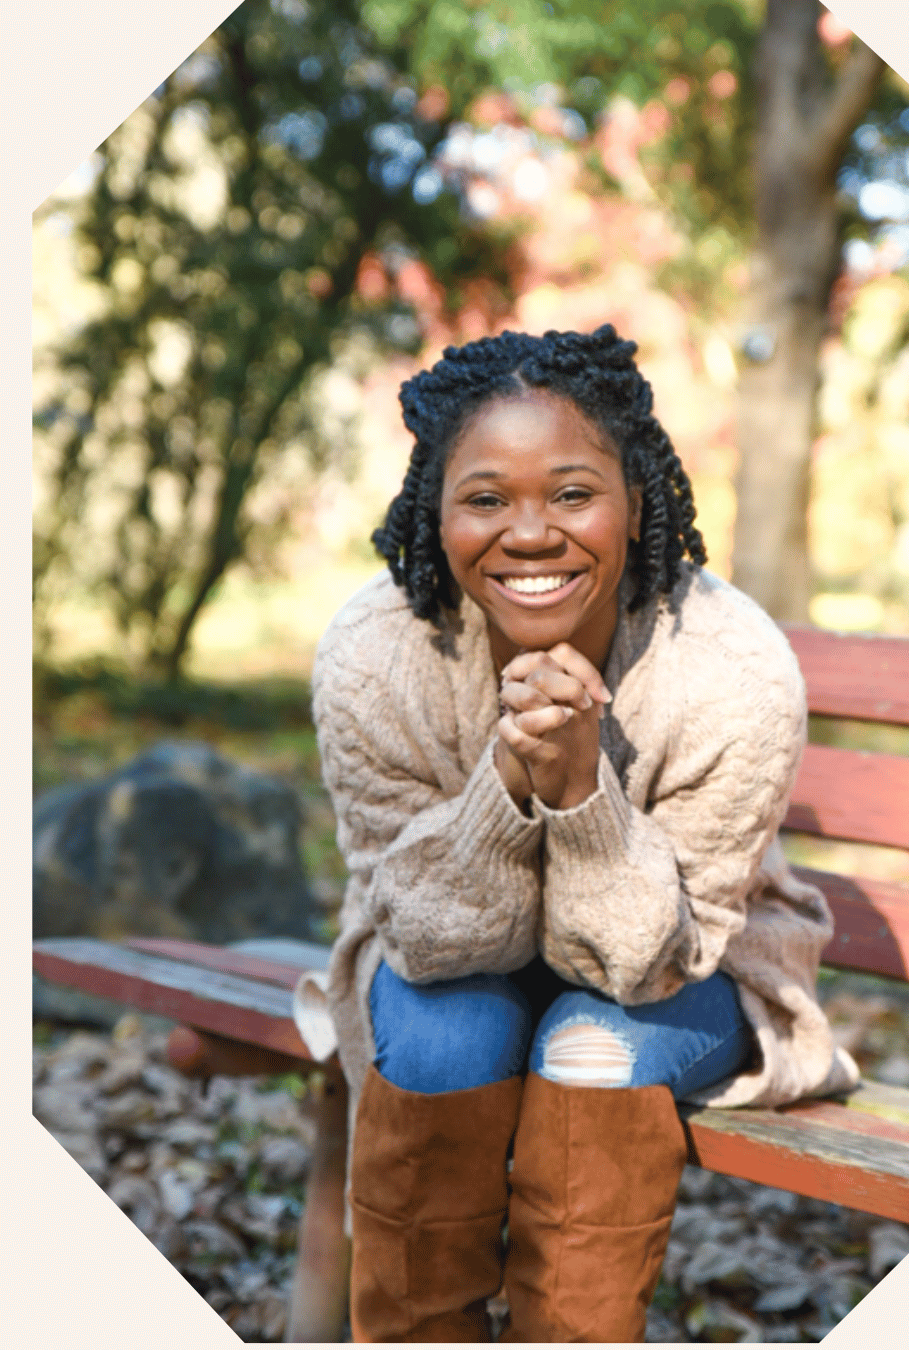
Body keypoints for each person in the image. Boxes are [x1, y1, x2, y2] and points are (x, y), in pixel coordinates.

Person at [305, 324, 858, 1343]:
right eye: (485, 499)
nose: (529, 534)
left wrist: (578, 792)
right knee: (441, 1033)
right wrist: (508, 780)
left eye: (571, 493)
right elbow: (423, 940)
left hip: (684, 964)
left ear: (635, 502)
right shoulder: (375, 656)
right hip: (451, 958)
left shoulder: (732, 671)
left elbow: (647, 963)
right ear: (437, 510)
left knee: (590, 1044)